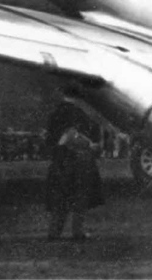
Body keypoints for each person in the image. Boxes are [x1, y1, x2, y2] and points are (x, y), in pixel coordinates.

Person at [45, 102, 104, 241]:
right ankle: (77, 232)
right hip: (78, 166)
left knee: (61, 201)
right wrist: (91, 146)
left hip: (61, 165)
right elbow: (76, 139)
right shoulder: (75, 125)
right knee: (79, 200)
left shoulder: (58, 121)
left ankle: (55, 232)